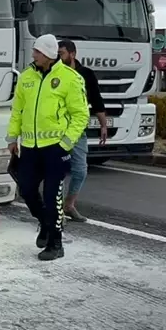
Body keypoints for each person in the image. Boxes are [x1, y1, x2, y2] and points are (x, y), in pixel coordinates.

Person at [7, 34, 90, 261]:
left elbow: (81, 115)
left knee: (53, 196)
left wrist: (66, 143)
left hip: (55, 148)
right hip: (31, 148)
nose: (33, 55)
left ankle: (56, 244)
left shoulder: (70, 78)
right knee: (26, 190)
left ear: (49, 54)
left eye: (37, 52)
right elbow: (17, 111)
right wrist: (12, 138)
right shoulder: (26, 77)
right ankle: (45, 223)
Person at [57, 39, 107, 222]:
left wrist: (103, 125)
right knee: (57, 170)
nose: (58, 57)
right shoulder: (54, 75)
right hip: (57, 130)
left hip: (77, 131)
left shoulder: (86, 74)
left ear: (72, 54)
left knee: (80, 170)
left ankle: (69, 205)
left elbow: (96, 99)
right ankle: (55, 210)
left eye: (61, 53)